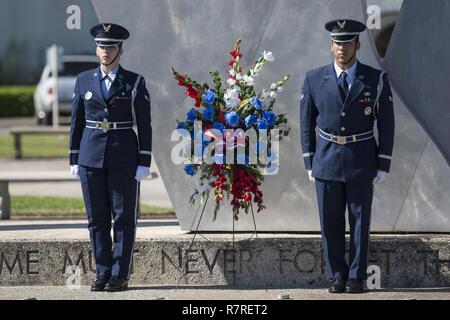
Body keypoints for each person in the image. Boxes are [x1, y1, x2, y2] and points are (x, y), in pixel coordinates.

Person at [300, 19, 395, 293]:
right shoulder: (314, 79)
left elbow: (386, 124)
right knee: (329, 222)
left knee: (360, 222)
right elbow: (306, 123)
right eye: (337, 43)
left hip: (361, 160)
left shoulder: (375, 79)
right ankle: (336, 276)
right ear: (331, 46)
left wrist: (383, 163)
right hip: (326, 160)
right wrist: (309, 159)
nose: (342, 48)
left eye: (348, 42)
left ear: (357, 45)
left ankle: (356, 277)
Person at [69, 23, 152, 292]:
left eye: (111, 47)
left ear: (120, 50)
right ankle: (102, 272)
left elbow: (145, 124)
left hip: (123, 155)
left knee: (124, 218)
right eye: (102, 46)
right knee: (96, 219)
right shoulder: (83, 80)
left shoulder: (134, 82)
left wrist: (144, 161)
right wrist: (73, 157)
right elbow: (76, 122)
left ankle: (119, 275)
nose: (105, 52)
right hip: (90, 156)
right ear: (96, 49)